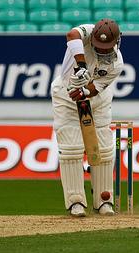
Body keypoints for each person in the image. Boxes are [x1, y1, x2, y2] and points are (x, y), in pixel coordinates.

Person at [51, 18, 123, 217]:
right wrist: (81, 66)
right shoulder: (88, 31)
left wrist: (83, 92)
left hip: (97, 99)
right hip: (65, 94)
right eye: (99, 47)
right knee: (71, 149)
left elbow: (95, 89)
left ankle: (103, 201)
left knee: (103, 148)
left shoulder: (117, 63)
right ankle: (76, 202)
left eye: (107, 47)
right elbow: (71, 35)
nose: (102, 51)